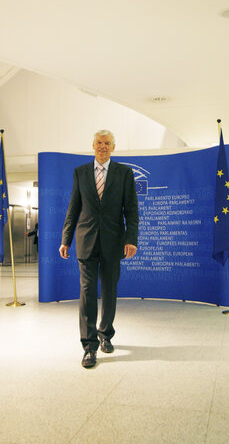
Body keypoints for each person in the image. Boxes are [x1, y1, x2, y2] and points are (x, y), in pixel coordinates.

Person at [59, 130, 139, 368]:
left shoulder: (124, 173)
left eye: (107, 143)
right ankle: (89, 346)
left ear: (113, 147)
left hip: (114, 243)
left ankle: (106, 334)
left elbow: (131, 210)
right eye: (99, 143)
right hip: (86, 241)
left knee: (110, 291)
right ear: (92, 145)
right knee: (87, 294)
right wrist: (66, 239)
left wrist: (131, 239)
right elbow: (73, 208)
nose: (102, 147)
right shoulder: (80, 172)